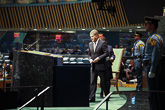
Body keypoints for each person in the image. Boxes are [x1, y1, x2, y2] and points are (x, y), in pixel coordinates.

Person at [143, 16, 163, 110]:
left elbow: (155, 55)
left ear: (152, 25)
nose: (145, 25)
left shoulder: (155, 38)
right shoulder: (151, 37)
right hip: (149, 65)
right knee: (152, 92)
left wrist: (152, 70)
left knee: (153, 92)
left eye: (147, 23)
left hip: (151, 66)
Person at [88, 29, 109, 102]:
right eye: (90, 37)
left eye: (92, 36)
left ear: (96, 36)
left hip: (101, 66)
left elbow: (106, 53)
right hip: (93, 66)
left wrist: (99, 58)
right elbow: (89, 55)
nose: (91, 38)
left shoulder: (102, 43)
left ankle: (107, 96)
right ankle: (92, 97)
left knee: (103, 82)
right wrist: (90, 59)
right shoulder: (90, 44)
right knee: (92, 83)